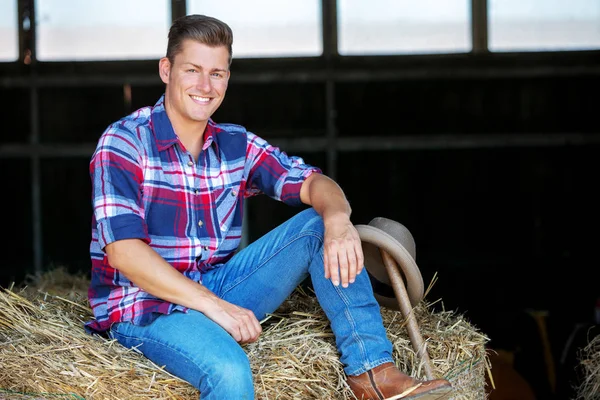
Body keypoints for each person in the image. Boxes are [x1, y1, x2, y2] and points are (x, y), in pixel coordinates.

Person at [86, 14, 452, 400]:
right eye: (192, 70)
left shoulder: (235, 144)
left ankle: (372, 373)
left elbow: (314, 183)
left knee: (317, 225)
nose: (205, 86)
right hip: (142, 307)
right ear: (167, 70)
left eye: (217, 73)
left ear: (228, 77)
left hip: (217, 286)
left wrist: (339, 220)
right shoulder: (125, 141)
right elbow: (124, 253)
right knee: (228, 370)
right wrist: (216, 308)